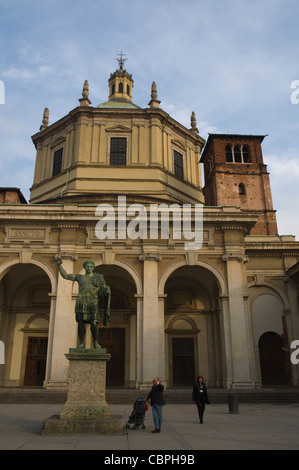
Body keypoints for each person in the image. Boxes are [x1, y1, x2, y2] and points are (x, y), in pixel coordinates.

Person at [56, 257, 111, 349]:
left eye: (90, 266)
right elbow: (65, 276)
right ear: (85, 268)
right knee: (80, 322)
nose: (89, 268)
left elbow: (103, 289)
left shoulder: (98, 278)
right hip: (81, 302)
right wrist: (59, 265)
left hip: (93, 302)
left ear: (93, 268)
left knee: (94, 322)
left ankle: (95, 342)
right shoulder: (80, 277)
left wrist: (106, 289)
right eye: (87, 266)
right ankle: (81, 343)